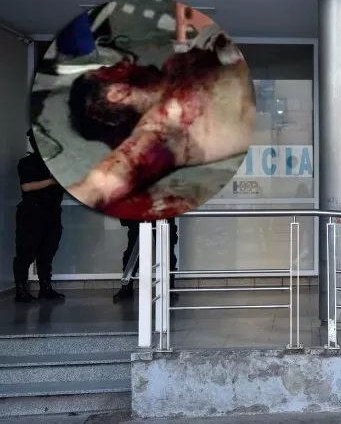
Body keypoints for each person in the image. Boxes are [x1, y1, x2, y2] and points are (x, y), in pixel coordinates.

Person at [64, 29, 255, 221]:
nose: (123, 62)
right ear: (117, 93)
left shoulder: (175, 68)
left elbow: (201, 43)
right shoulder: (160, 126)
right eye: (107, 71)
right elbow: (98, 186)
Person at [12, 130, 66, 303]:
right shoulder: (27, 162)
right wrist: (51, 181)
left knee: (47, 252)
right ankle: (21, 291)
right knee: (26, 252)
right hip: (31, 214)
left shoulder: (56, 164)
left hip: (52, 213)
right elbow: (26, 187)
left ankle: (46, 289)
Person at [113, 218, 179, 304]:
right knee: (132, 250)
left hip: (162, 210)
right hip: (139, 211)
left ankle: (169, 286)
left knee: (167, 249)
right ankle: (126, 286)